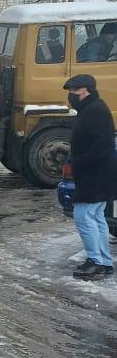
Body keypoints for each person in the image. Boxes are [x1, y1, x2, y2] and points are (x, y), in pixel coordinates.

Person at [63, 74, 117, 281]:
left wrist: (79, 162)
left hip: (94, 174)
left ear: (85, 91)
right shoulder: (93, 109)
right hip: (100, 173)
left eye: (74, 91)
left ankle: (95, 261)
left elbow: (101, 145)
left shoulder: (94, 111)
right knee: (97, 217)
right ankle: (103, 261)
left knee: (83, 216)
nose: (71, 95)